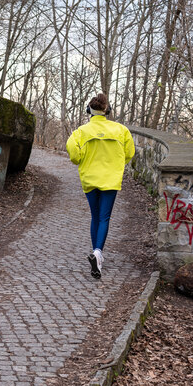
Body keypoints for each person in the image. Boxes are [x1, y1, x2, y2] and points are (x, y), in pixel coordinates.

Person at [65, 94, 135, 279]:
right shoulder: (121, 130)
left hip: (89, 179)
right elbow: (129, 153)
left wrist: (83, 160)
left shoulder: (80, 132)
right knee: (105, 217)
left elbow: (74, 156)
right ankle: (98, 253)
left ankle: (97, 254)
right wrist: (117, 164)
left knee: (95, 216)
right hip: (111, 179)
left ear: (89, 111)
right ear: (108, 110)